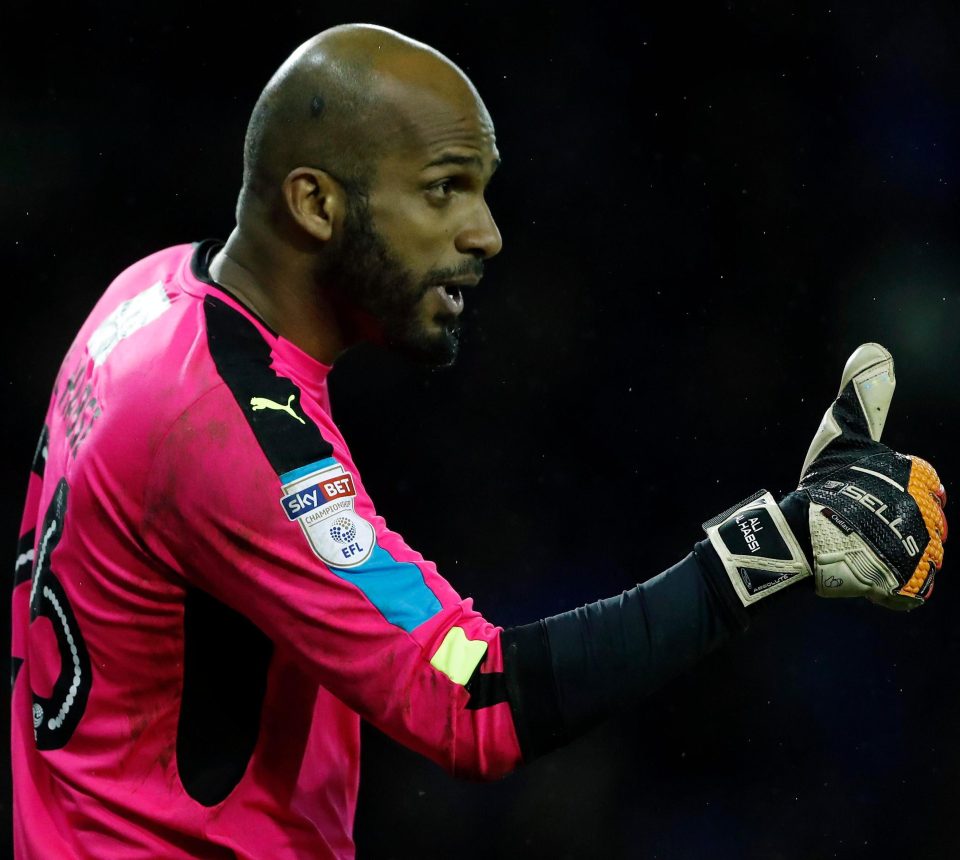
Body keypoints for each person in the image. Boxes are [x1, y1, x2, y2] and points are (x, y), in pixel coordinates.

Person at [10, 23, 947, 859]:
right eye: (444, 190)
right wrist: (772, 552)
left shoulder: (146, 296)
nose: (487, 235)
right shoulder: (224, 431)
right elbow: (469, 695)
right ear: (316, 202)